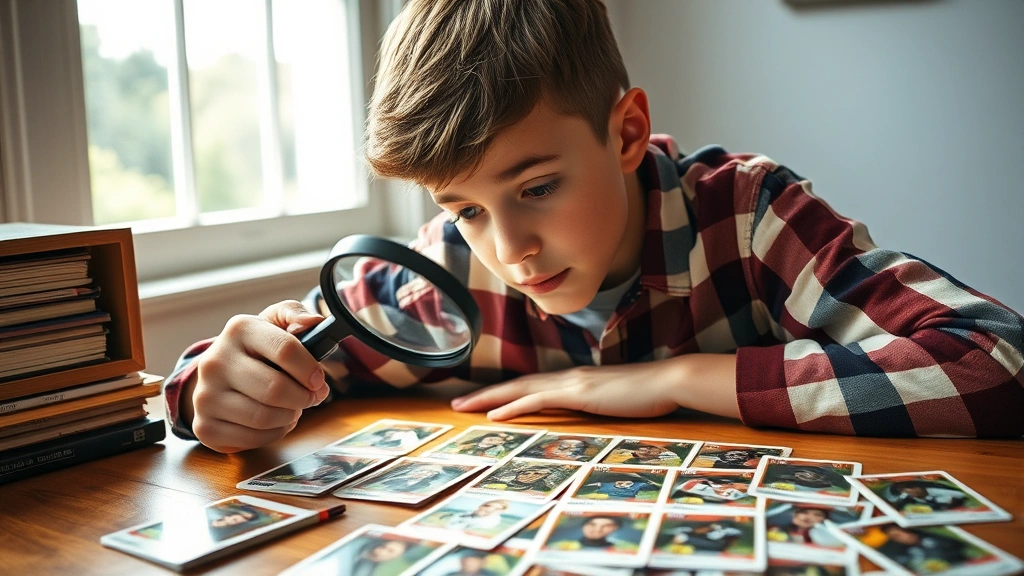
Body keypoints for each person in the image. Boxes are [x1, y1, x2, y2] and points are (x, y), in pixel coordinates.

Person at [162, 0, 1024, 453]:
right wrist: (219, 387)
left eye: (535, 187)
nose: (507, 250)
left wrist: (684, 378)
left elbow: (995, 364)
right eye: (462, 208)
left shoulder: (751, 218)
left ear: (626, 132)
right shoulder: (444, 278)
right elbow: (230, 375)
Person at [875, 524, 968, 573]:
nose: (906, 535)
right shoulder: (906, 554)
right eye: (897, 536)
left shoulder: (936, 537)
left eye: (905, 531)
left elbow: (959, 549)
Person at [884, 480, 968, 512]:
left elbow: (961, 495)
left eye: (909, 487)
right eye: (903, 491)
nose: (909, 491)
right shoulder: (915, 503)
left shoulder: (934, 489)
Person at [435, 499, 510, 533]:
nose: (490, 510)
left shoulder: (493, 520)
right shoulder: (468, 513)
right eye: (486, 505)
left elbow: (479, 529)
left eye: (496, 509)